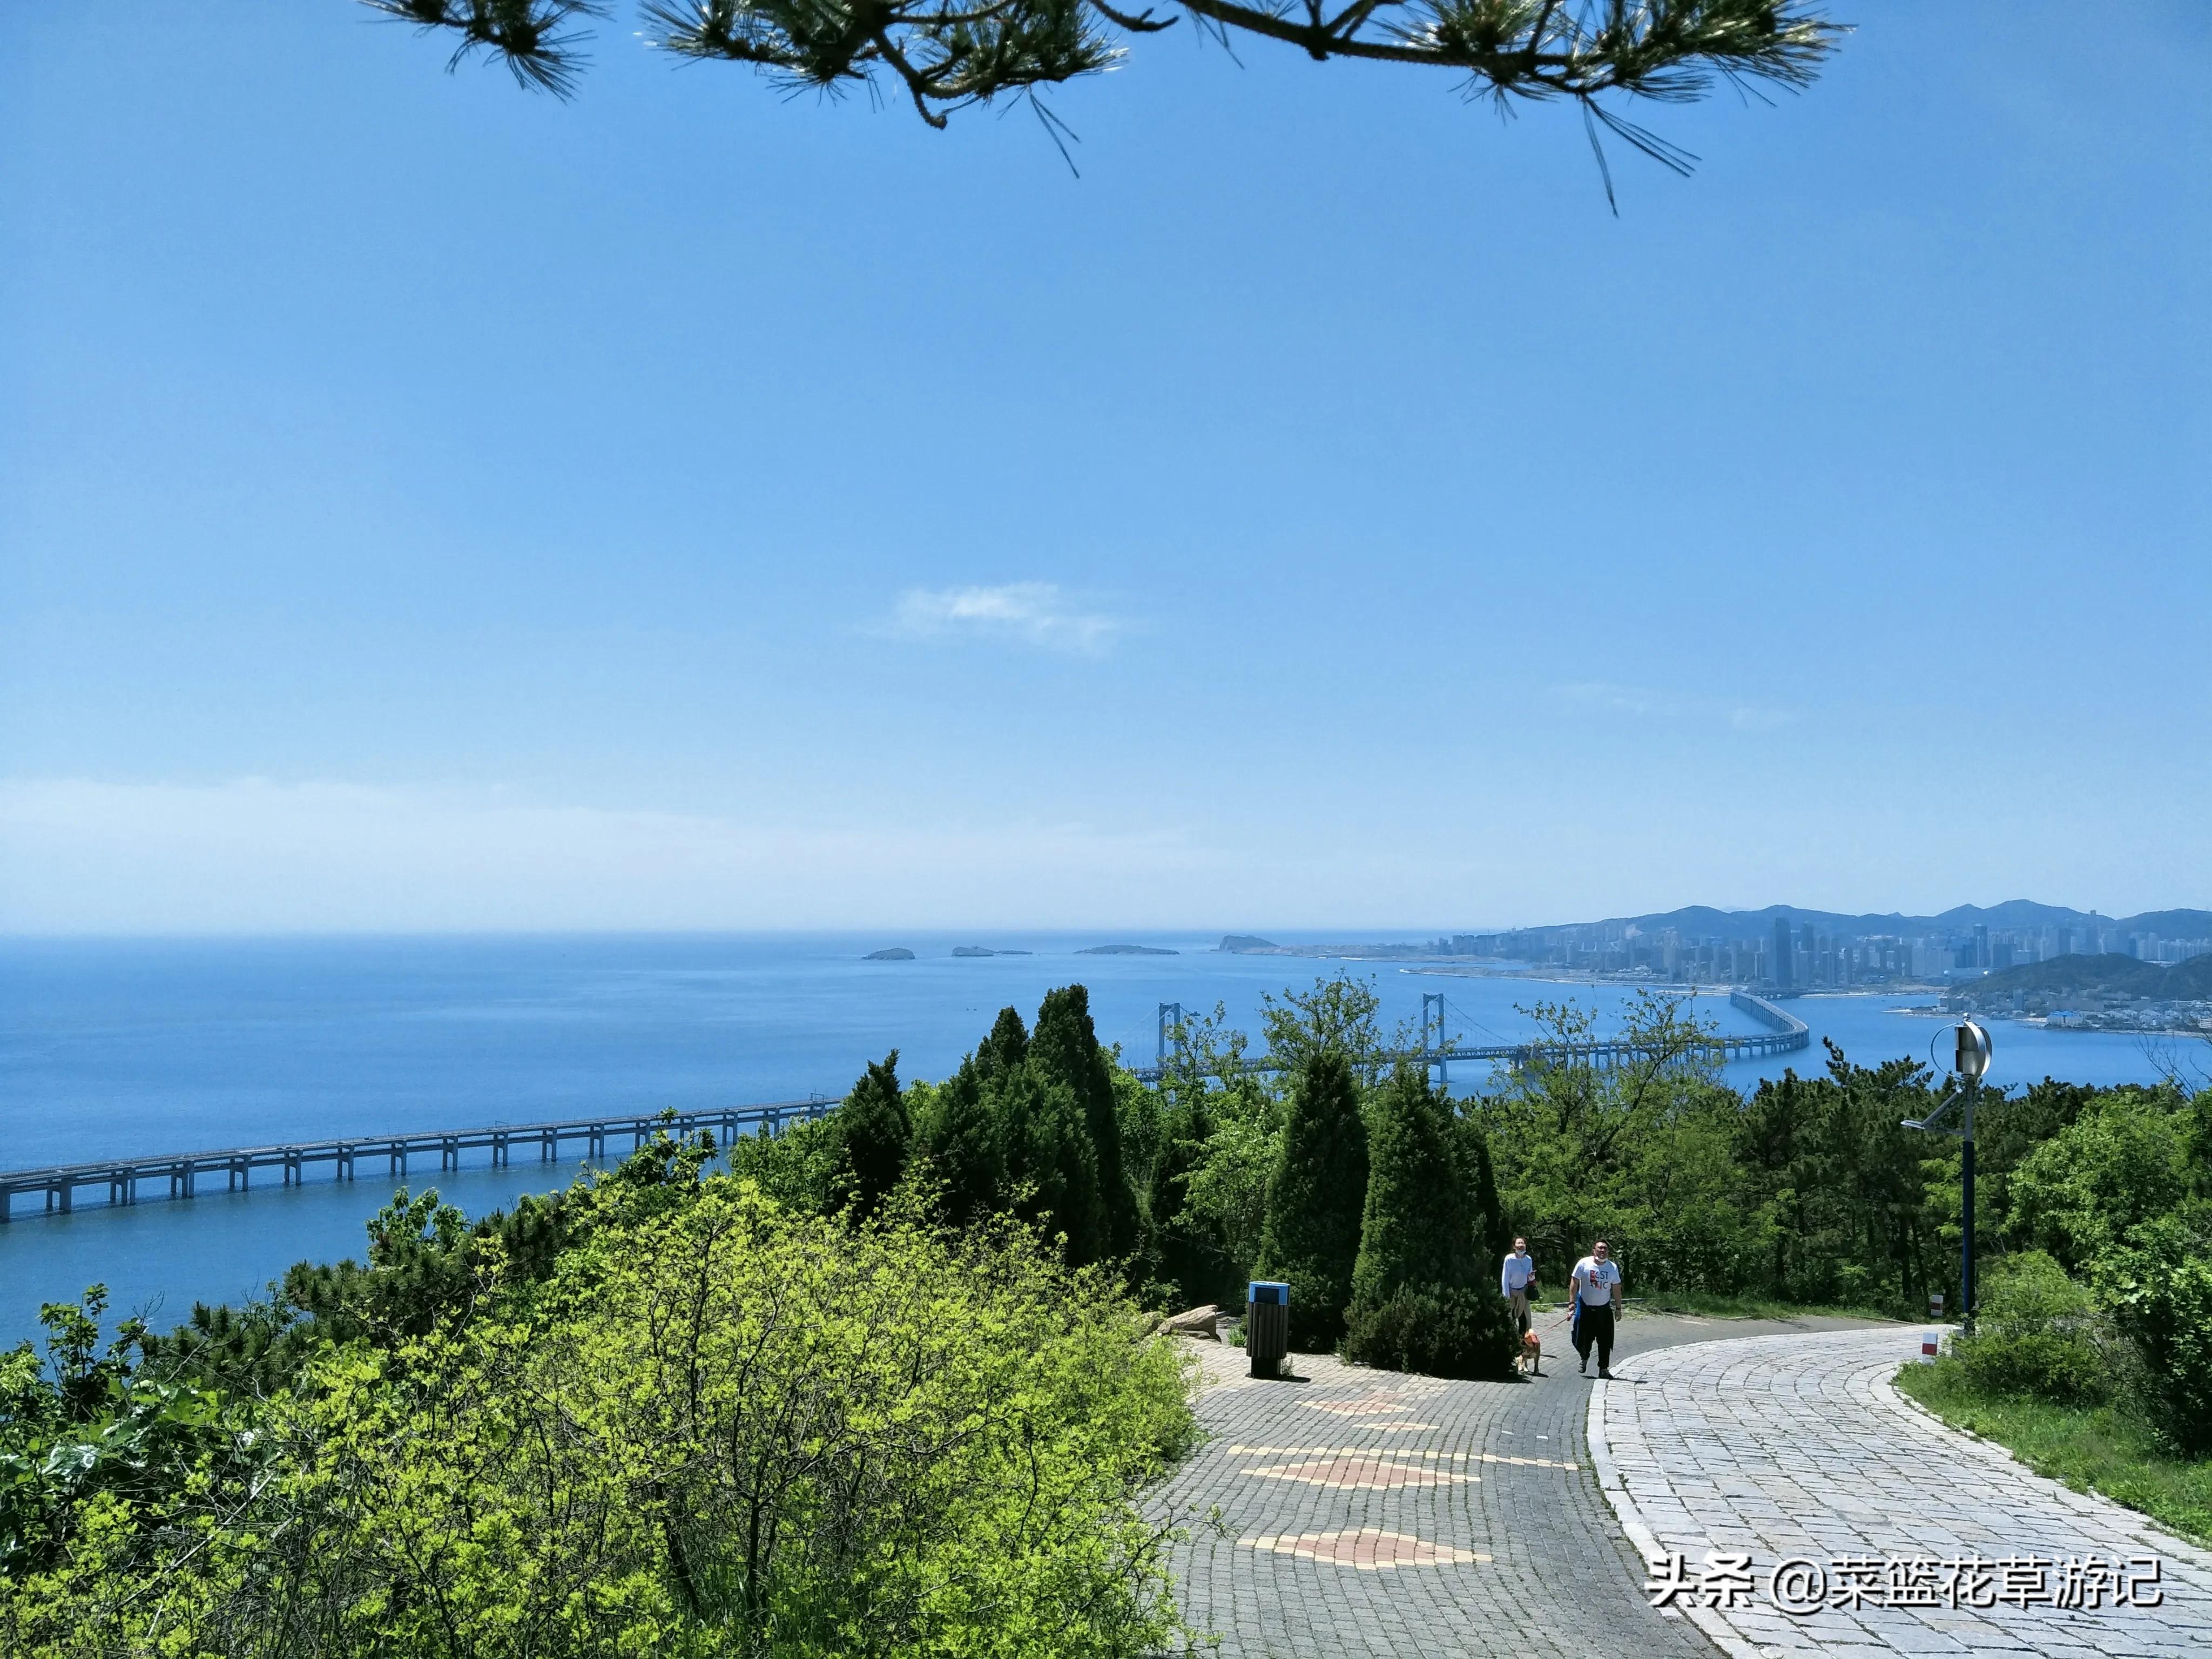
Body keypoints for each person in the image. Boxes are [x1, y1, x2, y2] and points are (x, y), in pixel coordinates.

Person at [1569, 1238, 1624, 1378]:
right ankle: (1584, 1357)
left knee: (1605, 1340)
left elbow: (1616, 1287)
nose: (1602, 1251)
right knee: (1582, 1338)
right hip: (1585, 1306)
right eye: (1599, 1248)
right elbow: (1574, 1281)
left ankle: (1604, 1369)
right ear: (1594, 1250)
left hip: (1603, 1308)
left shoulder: (1612, 1267)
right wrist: (1572, 1302)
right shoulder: (1584, 1264)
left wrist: (1618, 1308)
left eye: (1605, 1248)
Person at [1500, 1236, 1537, 1338]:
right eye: (1519, 1244)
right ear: (1514, 1246)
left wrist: (1532, 1276)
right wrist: (1506, 1294)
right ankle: (1510, 1339)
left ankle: (1524, 1340)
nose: (1521, 1246)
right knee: (1510, 1317)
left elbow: (1530, 1276)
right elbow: (1505, 1277)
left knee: (1525, 1318)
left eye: (1523, 1243)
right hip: (1511, 1292)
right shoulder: (1509, 1259)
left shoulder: (1529, 1259)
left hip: (1524, 1291)